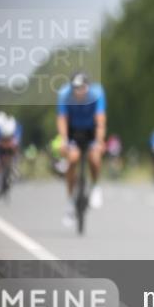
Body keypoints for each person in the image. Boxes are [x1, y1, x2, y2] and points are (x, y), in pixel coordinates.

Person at [57, 72, 107, 225]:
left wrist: (99, 141)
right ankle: (71, 201)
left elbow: (100, 120)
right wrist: (64, 140)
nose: (80, 92)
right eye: (76, 88)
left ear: (88, 86)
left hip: (90, 131)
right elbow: (62, 120)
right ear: (72, 88)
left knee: (95, 157)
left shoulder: (97, 93)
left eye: (82, 88)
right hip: (73, 132)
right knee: (72, 159)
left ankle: (96, 186)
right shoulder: (64, 95)